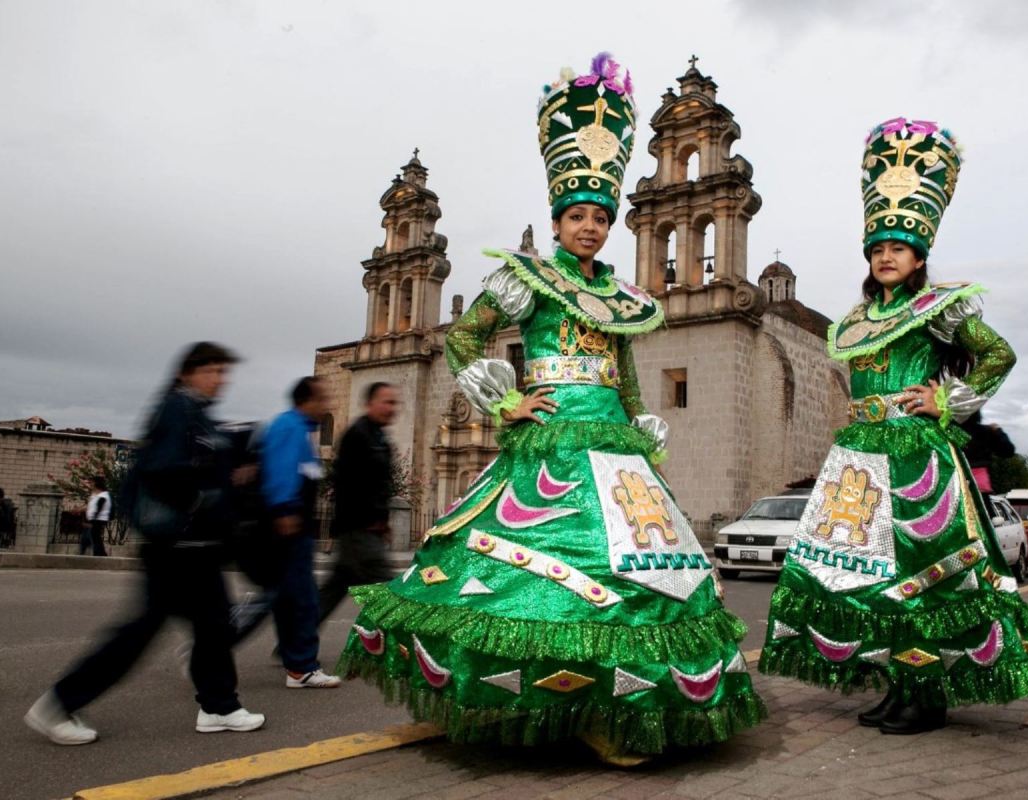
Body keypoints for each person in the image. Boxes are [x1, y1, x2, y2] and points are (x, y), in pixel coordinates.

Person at [336, 53, 765, 766]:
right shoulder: (525, 277)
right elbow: (468, 336)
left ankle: (613, 705)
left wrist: (640, 426)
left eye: (601, 216)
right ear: (557, 220)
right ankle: (534, 699)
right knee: (538, 578)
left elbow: (624, 366)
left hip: (615, 448)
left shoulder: (622, 298)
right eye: (578, 216)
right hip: (548, 442)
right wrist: (506, 400)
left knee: (634, 577)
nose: (592, 227)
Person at [758, 117, 1028, 735]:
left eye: (898, 247)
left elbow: (999, 353)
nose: (886, 255)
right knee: (868, 577)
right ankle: (901, 685)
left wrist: (946, 401)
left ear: (919, 255)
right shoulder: (858, 320)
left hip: (918, 456)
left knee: (918, 574)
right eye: (877, 248)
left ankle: (929, 695)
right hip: (861, 457)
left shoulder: (936, 309)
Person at [24, 342, 264, 745]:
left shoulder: (197, 414)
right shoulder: (177, 409)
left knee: (214, 623)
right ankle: (59, 703)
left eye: (223, 373)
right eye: (213, 372)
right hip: (176, 545)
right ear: (188, 373)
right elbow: (165, 472)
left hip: (195, 545)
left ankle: (219, 706)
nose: (220, 380)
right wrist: (213, 487)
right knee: (142, 631)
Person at [237, 376, 341, 689]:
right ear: (306, 401)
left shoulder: (297, 431)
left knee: (284, 600)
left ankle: (298, 666)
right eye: (322, 400)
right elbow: (283, 475)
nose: (327, 406)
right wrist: (286, 512)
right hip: (287, 529)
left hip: (293, 529)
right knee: (301, 600)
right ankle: (301, 666)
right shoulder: (290, 429)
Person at [318, 382, 399, 624]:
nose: (391, 408)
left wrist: (383, 523)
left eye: (394, 403)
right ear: (370, 403)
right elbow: (349, 485)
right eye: (386, 402)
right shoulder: (358, 435)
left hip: (364, 530)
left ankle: (295, 638)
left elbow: (380, 485)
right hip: (359, 531)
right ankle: (395, 648)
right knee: (387, 591)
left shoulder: (378, 437)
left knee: (335, 587)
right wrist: (370, 521)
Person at [959, 412, 1015, 494]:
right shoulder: (985, 432)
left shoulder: (946, 431)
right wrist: (998, 430)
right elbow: (1008, 451)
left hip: (954, 483)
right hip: (980, 486)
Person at [78, 476, 111, 557]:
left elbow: (99, 507)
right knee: (95, 536)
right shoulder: (97, 494)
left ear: (96, 484)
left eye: (92, 482)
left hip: (98, 519)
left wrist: (93, 518)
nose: (91, 484)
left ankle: (100, 553)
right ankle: (101, 553)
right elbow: (91, 506)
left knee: (95, 536)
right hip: (95, 519)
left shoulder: (102, 496)